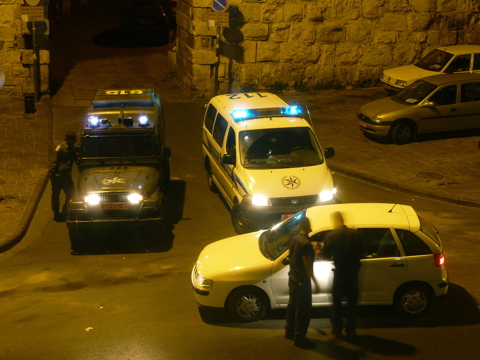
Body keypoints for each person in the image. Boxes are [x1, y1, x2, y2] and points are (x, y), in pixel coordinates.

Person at [322, 211, 365, 341]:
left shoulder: (332, 235)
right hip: (352, 274)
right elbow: (363, 252)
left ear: (335, 221)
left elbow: (325, 255)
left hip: (339, 274)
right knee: (352, 305)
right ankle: (351, 331)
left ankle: (337, 329)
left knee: (336, 304)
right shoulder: (356, 235)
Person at [284, 216, 320, 349]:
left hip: (292, 277)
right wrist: (315, 281)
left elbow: (293, 255)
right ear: (308, 227)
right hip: (301, 280)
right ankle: (300, 338)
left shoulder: (294, 239)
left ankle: (289, 331)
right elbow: (307, 265)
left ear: (299, 226)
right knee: (303, 309)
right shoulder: (305, 244)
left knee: (292, 305)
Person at [49, 131, 78, 222]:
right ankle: (56, 212)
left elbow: (76, 159)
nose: (74, 142)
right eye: (73, 140)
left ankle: (65, 210)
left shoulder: (72, 149)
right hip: (58, 175)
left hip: (66, 176)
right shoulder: (60, 148)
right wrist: (53, 174)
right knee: (56, 195)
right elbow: (54, 161)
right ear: (68, 140)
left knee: (71, 193)